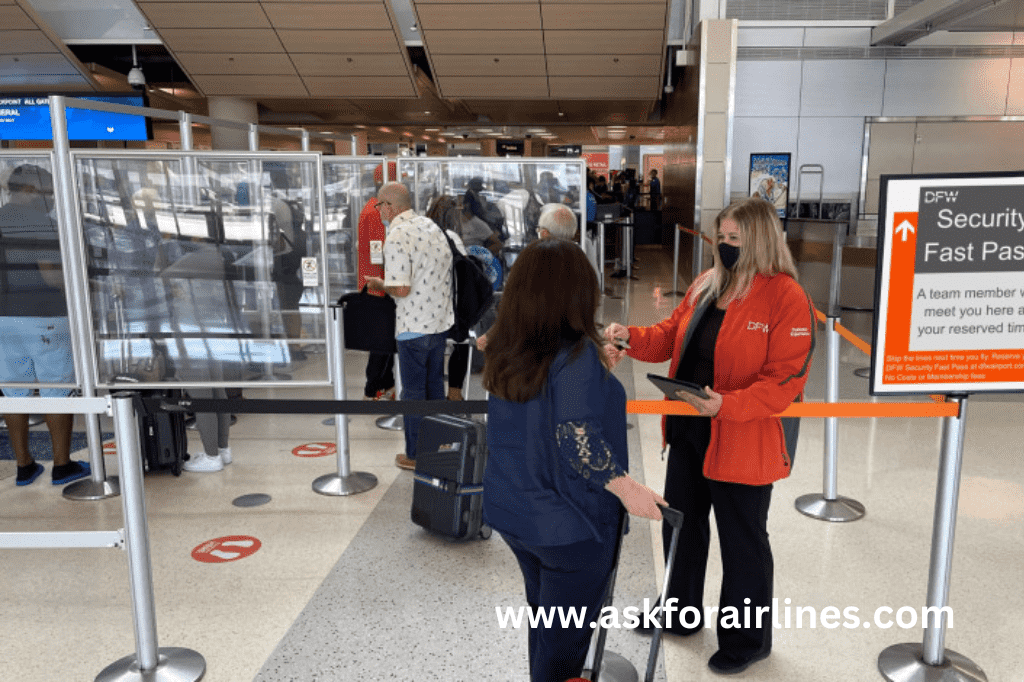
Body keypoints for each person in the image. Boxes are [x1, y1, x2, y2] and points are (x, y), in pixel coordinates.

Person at [603, 197, 815, 676]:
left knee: (742, 539)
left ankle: (748, 640)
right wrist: (628, 337)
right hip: (689, 430)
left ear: (760, 239)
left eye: (735, 239)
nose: (725, 245)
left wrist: (728, 404)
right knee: (684, 523)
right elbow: (668, 335)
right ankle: (680, 614)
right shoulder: (707, 284)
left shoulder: (786, 297)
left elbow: (786, 379)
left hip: (745, 436)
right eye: (722, 236)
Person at [483, 238, 666, 682]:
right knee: (565, 642)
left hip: (514, 510)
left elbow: (543, 413)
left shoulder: (510, 348)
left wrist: (593, 375)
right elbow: (575, 438)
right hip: (569, 525)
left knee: (546, 618)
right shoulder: (576, 357)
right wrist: (629, 490)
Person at [0, 164, 90, 486]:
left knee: (13, 391)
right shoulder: (42, 224)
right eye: (47, 193)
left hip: (2, 321)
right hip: (44, 317)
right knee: (56, 389)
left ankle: (24, 466)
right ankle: (62, 465)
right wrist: (80, 285)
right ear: (29, 190)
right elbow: (52, 277)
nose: (51, 200)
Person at [365, 182, 453, 471]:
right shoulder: (430, 226)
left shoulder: (398, 234)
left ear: (390, 206)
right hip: (439, 323)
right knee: (434, 389)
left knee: (413, 393)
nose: (378, 211)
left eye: (380, 205)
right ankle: (439, 448)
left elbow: (401, 288)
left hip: (413, 326)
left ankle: (415, 455)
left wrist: (379, 284)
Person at [357, 162, 397, 401]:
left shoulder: (374, 209)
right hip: (377, 287)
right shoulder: (375, 213)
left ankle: (386, 384)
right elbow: (379, 252)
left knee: (386, 342)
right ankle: (373, 389)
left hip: (379, 285)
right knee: (381, 344)